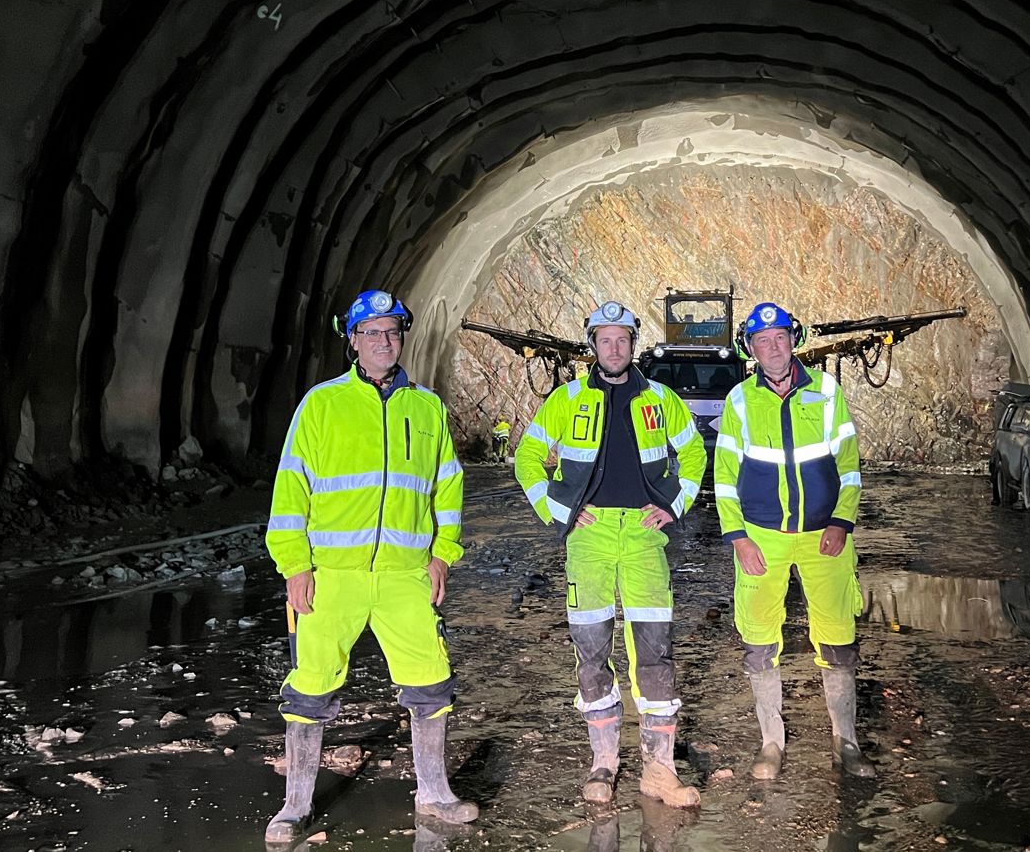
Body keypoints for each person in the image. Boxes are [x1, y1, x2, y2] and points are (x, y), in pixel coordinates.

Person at [264, 288, 476, 844]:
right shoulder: (321, 404)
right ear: (353, 340)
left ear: (402, 337)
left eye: (392, 331)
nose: (384, 341)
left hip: (406, 574)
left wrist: (442, 554)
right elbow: (291, 488)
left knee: (431, 684)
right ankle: (294, 807)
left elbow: (447, 486)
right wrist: (294, 566)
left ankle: (434, 794)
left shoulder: (427, 408)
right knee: (309, 688)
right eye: (371, 332)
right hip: (331, 576)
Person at [514, 301, 707, 808]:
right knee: (592, 649)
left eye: (623, 339)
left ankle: (659, 771)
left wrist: (673, 504)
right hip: (590, 538)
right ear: (593, 344)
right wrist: (559, 512)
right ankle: (603, 761)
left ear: (633, 344)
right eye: (605, 339)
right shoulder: (567, 399)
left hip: (645, 539)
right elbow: (528, 457)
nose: (615, 348)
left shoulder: (661, 400)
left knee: (654, 650)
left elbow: (693, 454)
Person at [714, 301, 877, 780]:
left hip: (824, 535)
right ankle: (771, 745)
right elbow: (724, 478)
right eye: (762, 341)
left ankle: (845, 741)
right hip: (763, 537)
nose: (773, 347)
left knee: (838, 637)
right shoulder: (740, 401)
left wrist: (841, 522)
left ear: (794, 340)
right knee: (760, 640)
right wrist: (739, 538)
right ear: (751, 348)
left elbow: (849, 467)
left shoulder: (826, 392)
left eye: (780, 337)